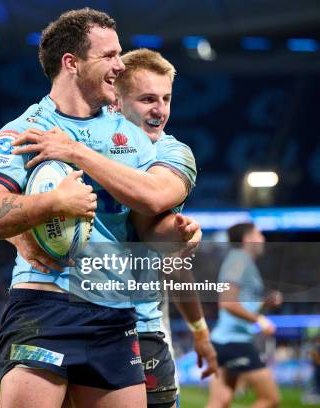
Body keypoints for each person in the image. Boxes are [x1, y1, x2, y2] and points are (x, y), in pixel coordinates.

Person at [0, 8, 199, 408]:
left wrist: (175, 235)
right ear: (71, 63)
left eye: (120, 53)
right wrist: (51, 203)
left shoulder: (135, 140)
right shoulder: (26, 130)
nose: (120, 64)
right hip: (45, 309)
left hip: (115, 315)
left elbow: (146, 227)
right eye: (108, 55)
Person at [114, 48, 218, 407]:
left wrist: (199, 331)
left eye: (166, 98)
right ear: (116, 99)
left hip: (143, 323)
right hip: (74, 316)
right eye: (147, 99)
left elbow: (169, 256)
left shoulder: (172, 154)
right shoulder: (83, 141)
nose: (160, 109)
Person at [206, 223, 282, 408]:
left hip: (223, 340)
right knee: (270, 399)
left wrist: (264, 303)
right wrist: (260, 320)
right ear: (248, 238)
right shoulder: (239, 259)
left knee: (221, 400)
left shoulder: (242, 261)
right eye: (259, 234)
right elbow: (227, 302)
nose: (263, 238)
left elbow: (240, 303)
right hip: (234, 341)